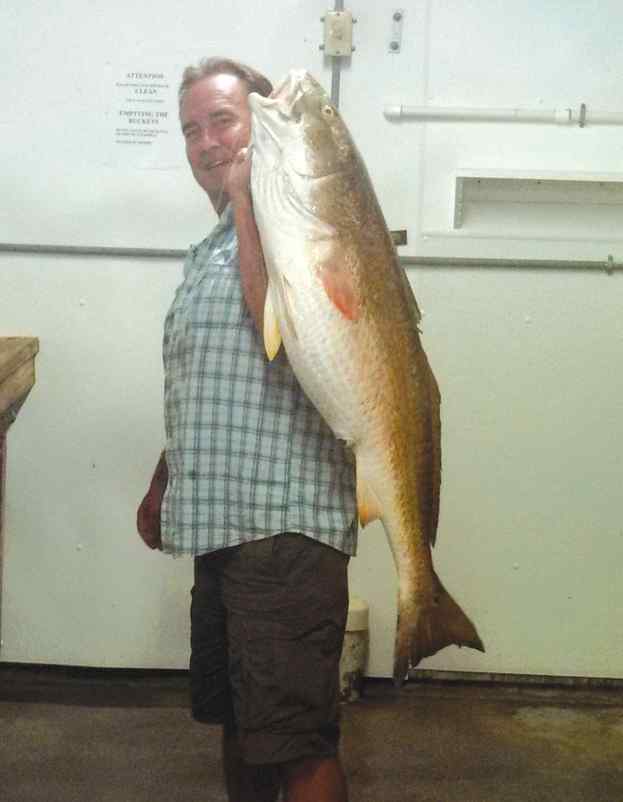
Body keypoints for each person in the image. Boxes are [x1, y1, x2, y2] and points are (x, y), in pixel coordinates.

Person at [136, 57, 357, 802]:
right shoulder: (214, 247)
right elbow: (211, 383)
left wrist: (247, 203)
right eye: (191, 128)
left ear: (260, 124)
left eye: (222, 120)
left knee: (294, 742)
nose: (205, 141)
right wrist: (164, 483)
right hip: (224, 526)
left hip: (285, 529)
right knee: (240, 724)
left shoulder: (294, 220)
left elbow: (282, 332)